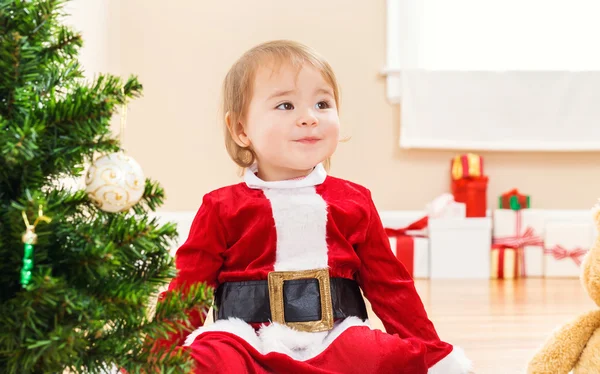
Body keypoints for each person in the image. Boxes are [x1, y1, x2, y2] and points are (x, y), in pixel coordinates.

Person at [153, 40, 473, 374]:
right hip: (246, 340)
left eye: (322, 103)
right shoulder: (222, 207)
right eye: (285, 106)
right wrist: (151, 355)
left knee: (383, 356)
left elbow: (391, 287)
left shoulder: (354, 201)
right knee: (208, 358)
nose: (308, 118)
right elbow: (187, 291)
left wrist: (434, 354)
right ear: (241, 129)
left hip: (335, 339)